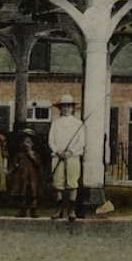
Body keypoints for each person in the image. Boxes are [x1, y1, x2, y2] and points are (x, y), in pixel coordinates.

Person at [48, 93, 85, 221]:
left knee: (72, 183)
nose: (66, 108)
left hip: (72, 157)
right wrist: (57, 151)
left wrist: (70, 151)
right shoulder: (55, 123)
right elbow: (51, 140)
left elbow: (81, 141)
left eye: (69, 106)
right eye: (64, 106)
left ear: (73, 108)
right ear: (60, 108)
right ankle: (59, 209)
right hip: (57, 157)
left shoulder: (78, 123)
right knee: (58, 183)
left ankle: (72, 210)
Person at [8, 127, 43, 217]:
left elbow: (38, 164)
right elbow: (14, 165)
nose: (26, 144)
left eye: (28, 142)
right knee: (22, 193)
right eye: (24, 142)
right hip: (22, 176)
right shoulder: (19, 155)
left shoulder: (35, 154)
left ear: (32, 144)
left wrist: (31, 155)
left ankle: (33, 210)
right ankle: (22, 210)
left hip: (33, 177)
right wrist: (9, 172)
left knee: (33, 193)